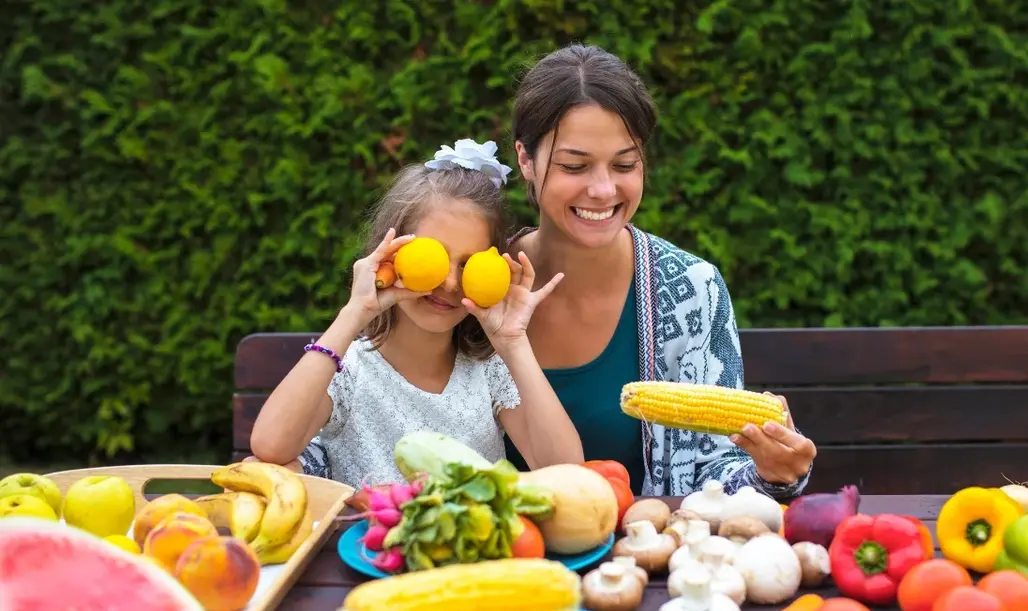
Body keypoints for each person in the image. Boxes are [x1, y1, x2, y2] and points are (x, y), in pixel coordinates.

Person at [293, 45, 817, 500]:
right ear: (524, 158)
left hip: (632, 562)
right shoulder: (468, 283)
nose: (603, 190)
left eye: (624, 164)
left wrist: (773, 475)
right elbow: (363, 411)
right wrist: (295, 472)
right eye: (574, 165)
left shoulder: (690, 292)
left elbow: (713, 470)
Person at [247, 139, 583, 488]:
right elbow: (270, 446)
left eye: (469, 265)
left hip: (469, 540)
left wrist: (514, 343)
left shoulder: (488, 372)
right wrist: (354, 313)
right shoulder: (348, 368)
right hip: (365, 541)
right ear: (390, 254)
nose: (451, 282)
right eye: (433, 258)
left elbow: (566, 471)